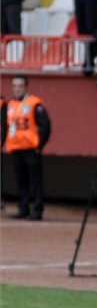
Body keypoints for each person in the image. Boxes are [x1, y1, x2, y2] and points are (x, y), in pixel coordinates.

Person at [6, 75, 51, 220]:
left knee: (35, 181)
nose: (17, 89)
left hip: (31, 149)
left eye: (20, 86)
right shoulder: (11, 105)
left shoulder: (34, 103)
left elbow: (46, 126)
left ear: (26, 87)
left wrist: (39, 145)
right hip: (16, 148)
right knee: (21, 180)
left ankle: (37, 209)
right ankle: (23, 207)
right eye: (14, 86)